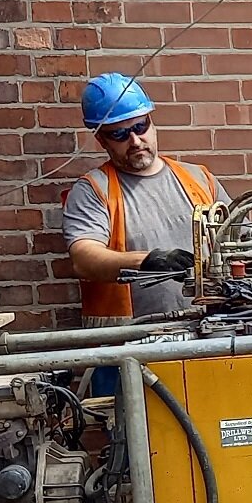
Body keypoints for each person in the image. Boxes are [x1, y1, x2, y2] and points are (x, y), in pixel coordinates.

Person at [62, 73, 230, 326]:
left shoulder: (200, 178)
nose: (135, 140)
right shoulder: (94, 190)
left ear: (152, 122)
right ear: (101, 139)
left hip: (210, 330)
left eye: (141, 127)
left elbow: (236, 237)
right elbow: (84, 258)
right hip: (130, 343)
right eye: (119, 134)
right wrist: (147, 260)